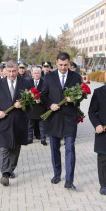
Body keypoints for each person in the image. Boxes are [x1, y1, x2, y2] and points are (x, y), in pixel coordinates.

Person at [40, 52, 82, 190]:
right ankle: (57, 173)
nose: (63, 67)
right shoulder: (49, 77)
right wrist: (50, 104)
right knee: (54, 148)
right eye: (60, 65)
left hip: (70, 117)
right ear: (56, 63)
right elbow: (43, 95)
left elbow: (82, 95)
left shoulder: (76, 77)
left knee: (70, 148)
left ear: (69, 63)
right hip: (54, 118)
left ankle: (69, 180)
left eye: (66, 65)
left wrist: (75, 99)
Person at [0, 61, 31, 186]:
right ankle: (5, 174)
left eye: (14, 71)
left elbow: (31, 103)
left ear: (18, 71)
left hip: (19, 121)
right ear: (5, 71)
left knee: (15, 148)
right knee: (4, 148)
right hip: (3, 121)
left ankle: (11, 168)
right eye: (9, 72)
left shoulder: (26, 83)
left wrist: (23, 103)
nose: (12, 74)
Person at [27, 67, 47, 146]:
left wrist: (41, 99)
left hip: (41, 107)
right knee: (30, 125)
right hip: (31, 108)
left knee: (42, 126)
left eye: (38, 73)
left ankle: (43, 139)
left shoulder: (44, 82)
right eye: (35, 73)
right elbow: (26, 94)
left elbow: (46, 93)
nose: (36, 75)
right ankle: (29, 138)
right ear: (32, 74)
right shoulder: (28, 82)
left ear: (40, 74)